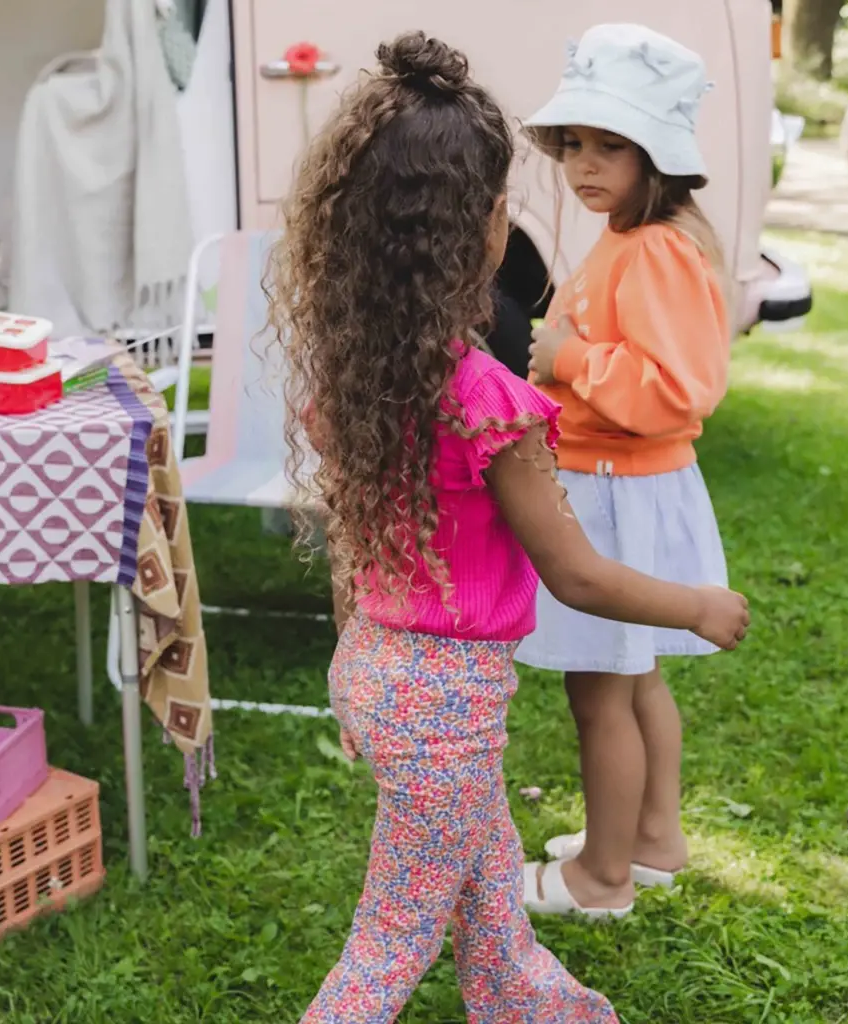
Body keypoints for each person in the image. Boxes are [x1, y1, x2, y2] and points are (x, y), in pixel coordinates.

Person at [267, 31, 749, 1023]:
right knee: (386, 944)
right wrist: (696, 604)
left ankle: (528, 1000)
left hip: (376, 671)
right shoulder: (489, 403)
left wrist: (363, 670)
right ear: (487, 232)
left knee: (488, 898)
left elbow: (357, 542)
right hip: (441, 706)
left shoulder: (354, 379)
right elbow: (578, 575)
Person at [517, 23, 734, 918]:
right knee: (634, 675)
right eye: (574, 144)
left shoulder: (652, 248)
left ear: (658, 155)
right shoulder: (633, 235)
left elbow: (678, 390)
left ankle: (601, 879)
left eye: (611, 146)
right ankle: (650, 839)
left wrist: (565, 359)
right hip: (625, 486)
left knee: (601, 686)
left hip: (618, 490)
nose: (583, 164)